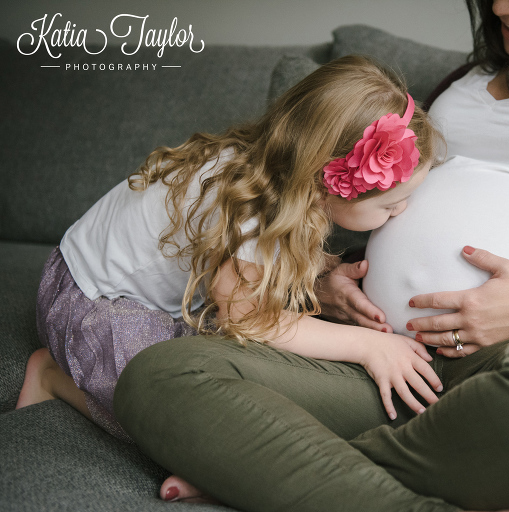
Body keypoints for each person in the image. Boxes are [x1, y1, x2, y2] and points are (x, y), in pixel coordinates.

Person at [113, 0, 509, 511]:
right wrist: (327, 277)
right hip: (372, 368)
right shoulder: (460, 83)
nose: (501, 6)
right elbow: (363, 204)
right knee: (159, 376)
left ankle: (281, 472)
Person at [16, 55, 443, 440]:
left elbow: (256, 275)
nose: (402, 210)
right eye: (390, 204)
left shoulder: (274, 176)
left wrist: (318, 282)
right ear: (326, 182)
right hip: (89, 303)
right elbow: (250, 318)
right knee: (168, 406)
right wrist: (369, 347)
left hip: (103, 284)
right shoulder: (251, 207)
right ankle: (53, 377)